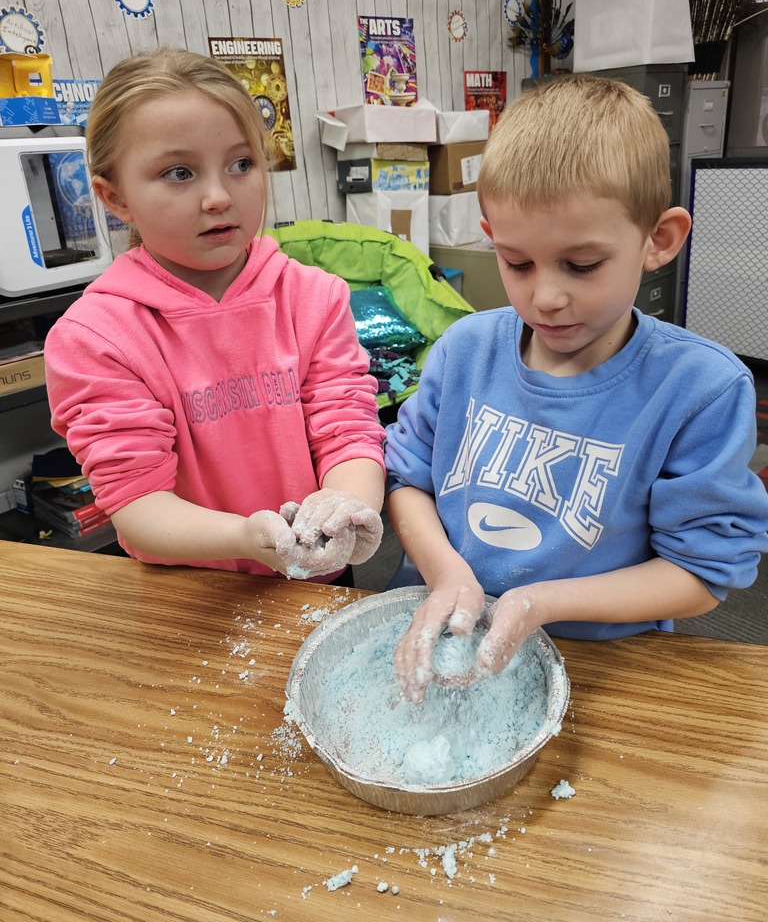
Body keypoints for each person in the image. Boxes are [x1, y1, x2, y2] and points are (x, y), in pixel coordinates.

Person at [385, 73, 768, 703]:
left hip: (601, 666)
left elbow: (701, 572)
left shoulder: (700, 389)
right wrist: (446, 570)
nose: (546, 296)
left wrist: (538, 603)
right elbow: (406, 480)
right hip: (442, 639)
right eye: (517, 262)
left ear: (658, 240)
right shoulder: (464, 351)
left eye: (582, 265)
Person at [44, 47, 385, 581]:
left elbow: (347, 429)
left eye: (241, 164)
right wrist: (245, 538)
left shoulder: (313, 298)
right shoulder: (96, 337)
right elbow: (137, 502)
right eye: (179, 172)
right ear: (115, 198)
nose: (219, 196)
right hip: (190, 590)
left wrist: (345, 505)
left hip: (317, 577)